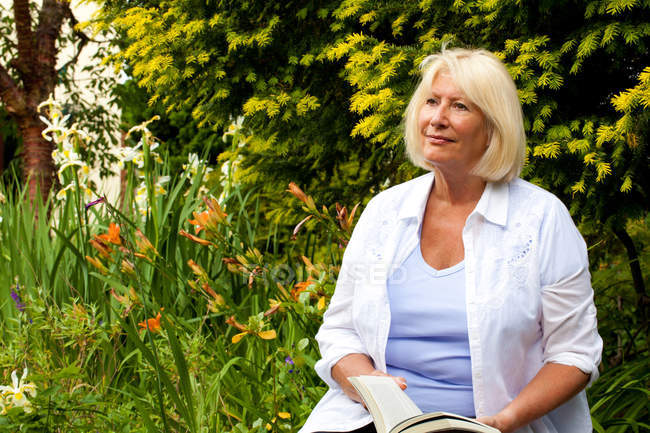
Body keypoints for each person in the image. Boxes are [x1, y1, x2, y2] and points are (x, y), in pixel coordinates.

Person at [298, 47, 603, 433]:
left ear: (493, 127)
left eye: (459, 106)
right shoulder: (385, 213)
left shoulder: (541, 220)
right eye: (431, 102)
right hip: (375, 422)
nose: (436, 119)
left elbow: (575, 355)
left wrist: (504, 421)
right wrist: (368, 385)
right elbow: (341, 332)